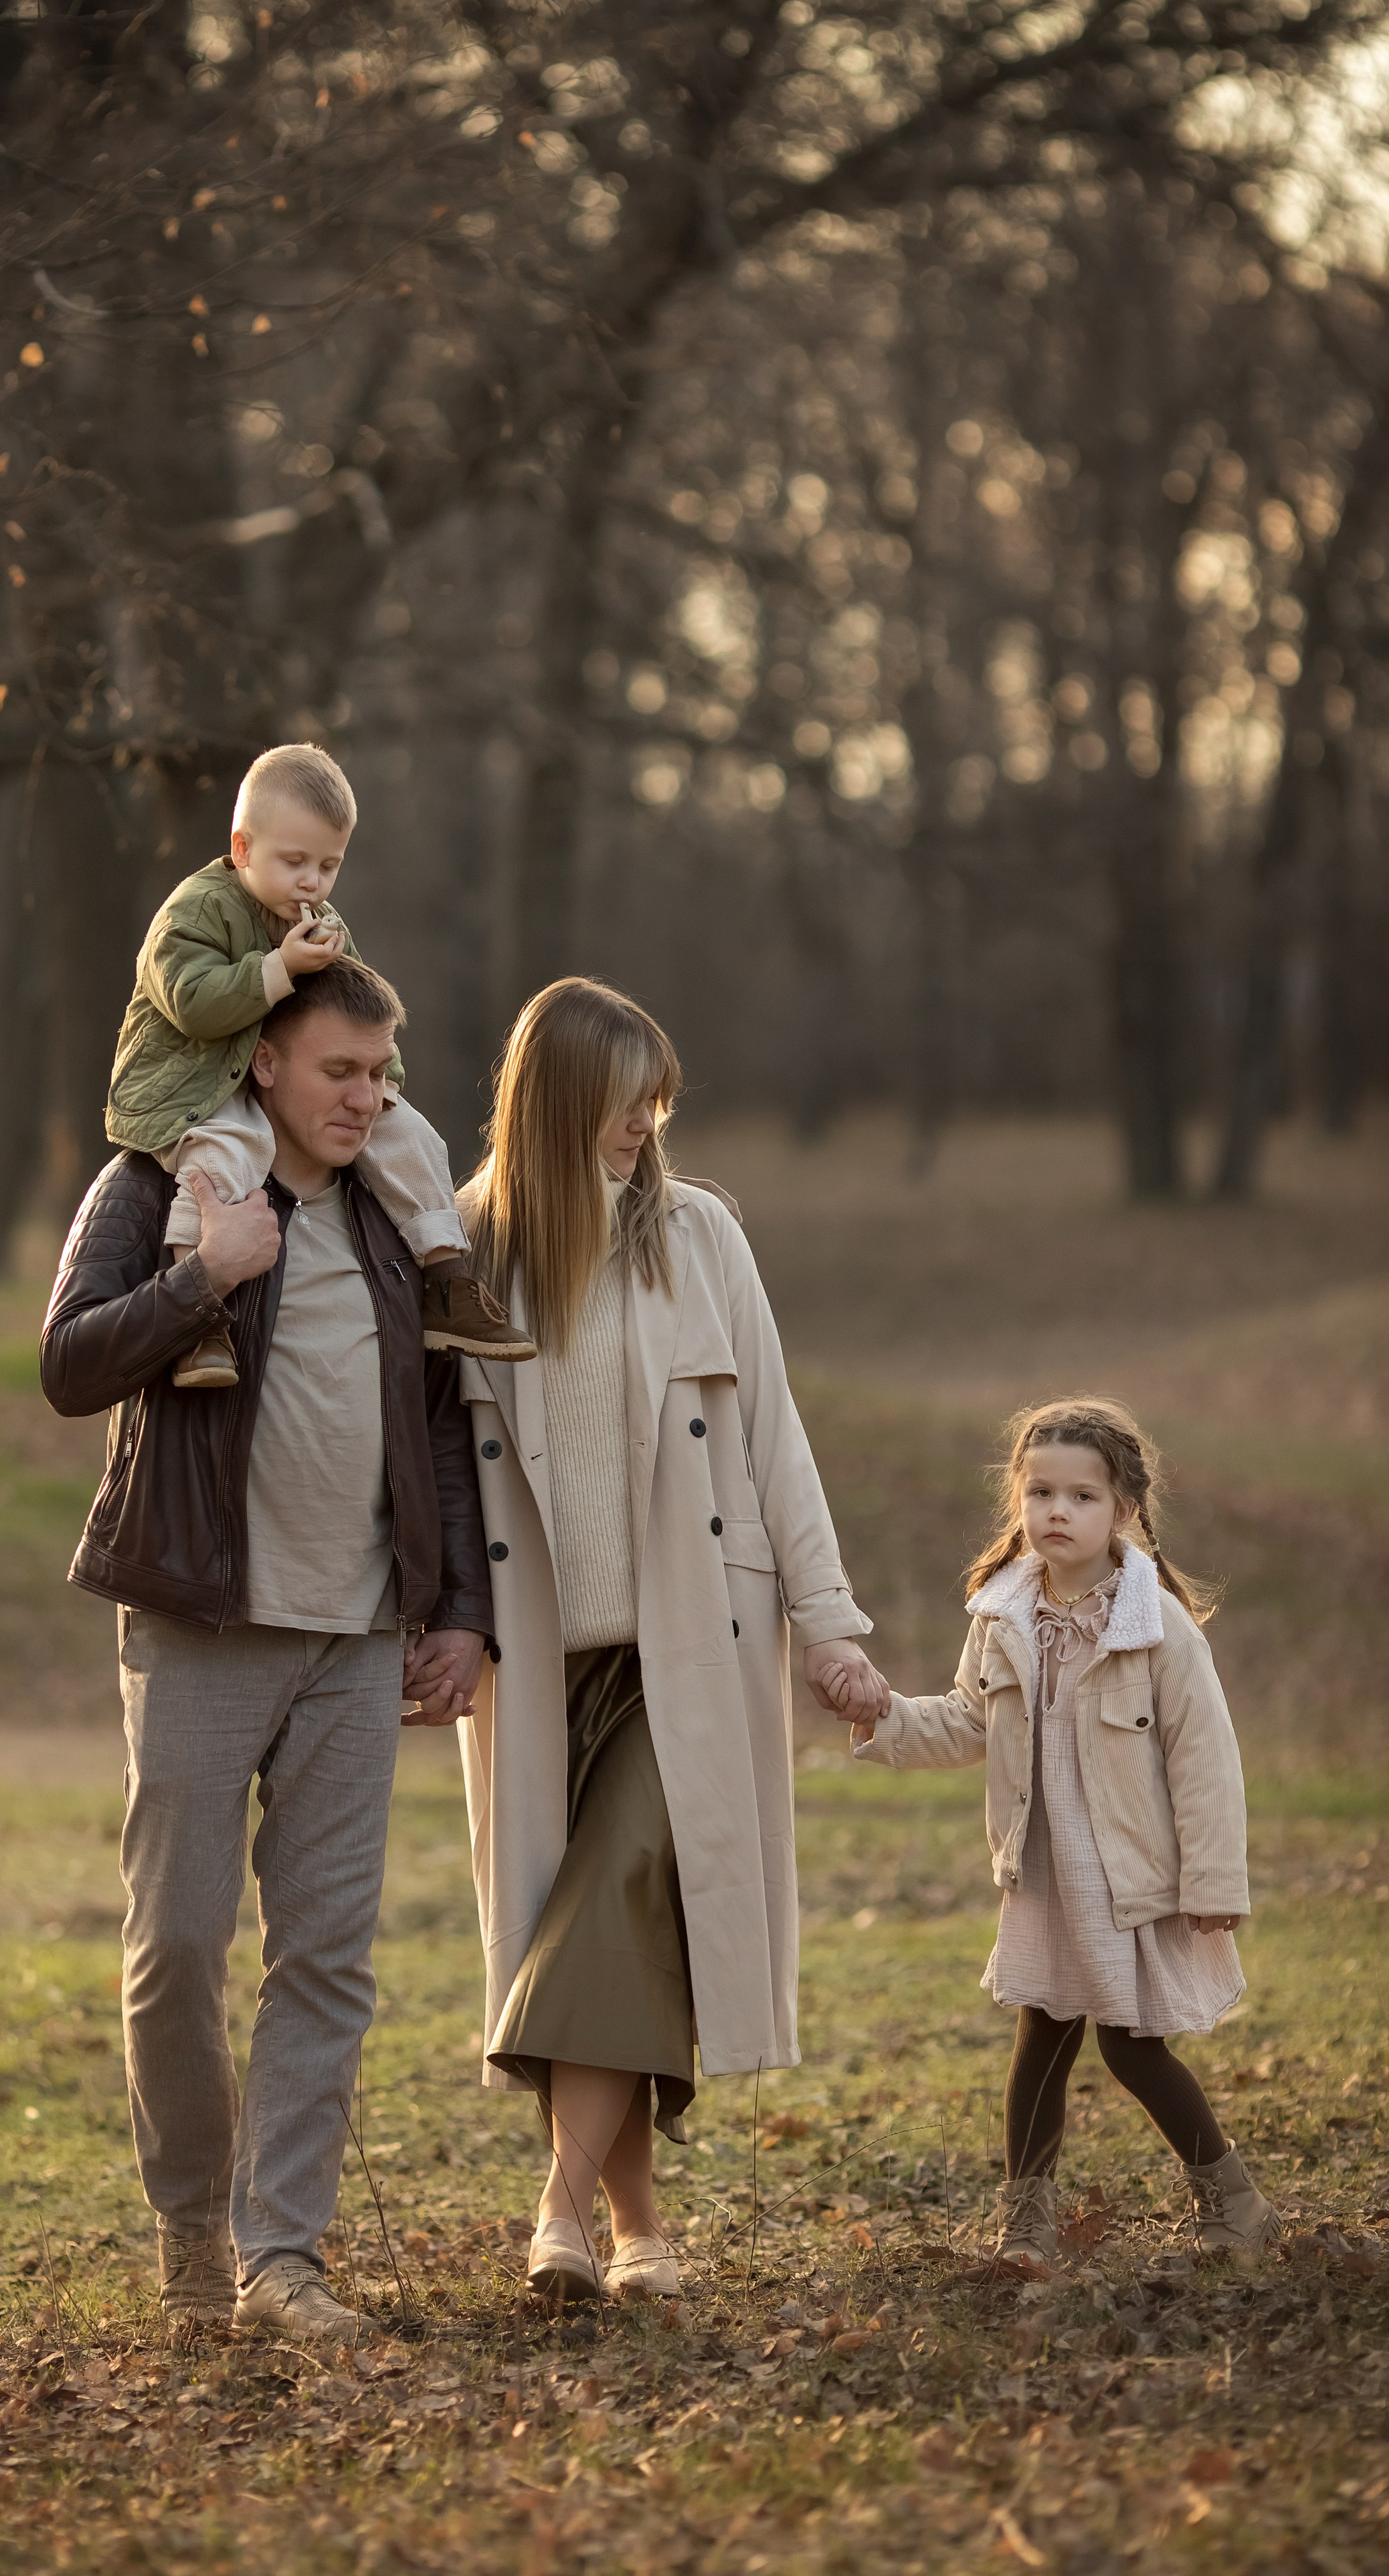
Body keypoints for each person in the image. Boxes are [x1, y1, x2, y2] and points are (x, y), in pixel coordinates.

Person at [40, 957, 493, 2345]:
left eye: (381, 1074)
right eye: (337, 1073)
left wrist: (460, 1609)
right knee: (175, 1948)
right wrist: (201, 1282)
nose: (364, 1098)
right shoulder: (157, 1187)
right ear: (264, 1070)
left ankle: (277, 2251)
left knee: (325, 1961)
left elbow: (438, 1422)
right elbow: (67, 1366)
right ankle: (191, 2220)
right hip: (196, 1622)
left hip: (357, 1640)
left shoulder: (394, 1211)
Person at [429, 977, 888, 2303]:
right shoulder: (466, 1246)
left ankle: (555, 2210)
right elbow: (432, 1466)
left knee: (614, 1897)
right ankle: (637, 2236)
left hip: (688, 1645)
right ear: (559, 1096)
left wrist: (830, 1627)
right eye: (625, 1095)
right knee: (587, 1934)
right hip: (533, 1659)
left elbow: (773, 1440)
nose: (646, 1119)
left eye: (655, 1096)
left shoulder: (699, 1238)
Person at [825, 1398, 1281, 2267]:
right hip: (1043, 1869)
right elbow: (966, 1721)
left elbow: (1206, 1763)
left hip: (1123, 1874)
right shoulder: (1002, 1617)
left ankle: (1234, 2198)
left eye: (1080, 1495)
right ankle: (1026, 2225)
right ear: (1018, 1501)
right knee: (1040, 2040)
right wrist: (881, 1717)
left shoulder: (1160, 1630)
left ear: (1124, 1510)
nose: (1056, 1512)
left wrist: (1215, 1883)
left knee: (1133, 2047)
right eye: (1040, 1493)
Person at [106, 740, 533, 1384]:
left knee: (412, 1134)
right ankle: (201, 1316)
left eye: (329, 866)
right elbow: (191, 1003)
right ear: (244, 848)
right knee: (219, 1156)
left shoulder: (321, 921)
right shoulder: (193, 912)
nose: (311, 882)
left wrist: (382, 1082)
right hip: (192, 1087)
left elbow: (361, 1006)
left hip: (275, 1078)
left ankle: (446, 1282)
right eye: (295, 861)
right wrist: (280, 969)